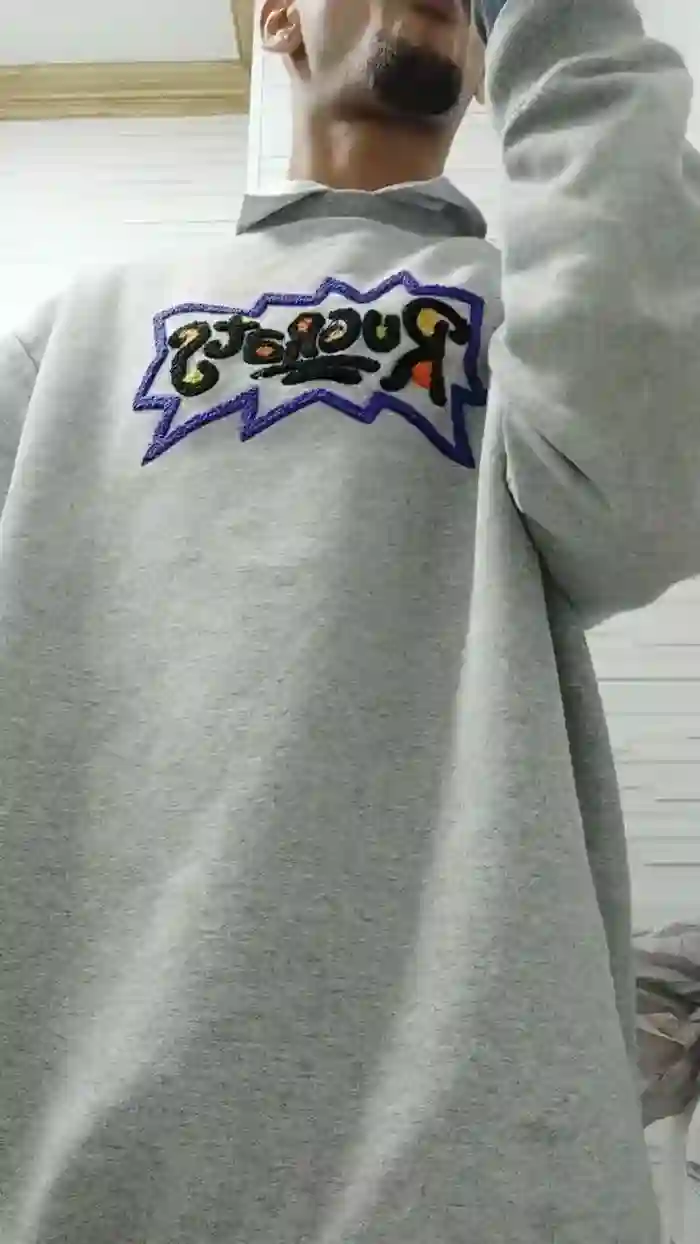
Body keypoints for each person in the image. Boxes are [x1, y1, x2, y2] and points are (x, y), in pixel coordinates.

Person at [1, 0, 698, 1240]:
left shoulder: (537, 321)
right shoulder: (78, 328)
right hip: (73, 1170)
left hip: (478, 1179)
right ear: (279, 20)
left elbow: (643, 497)